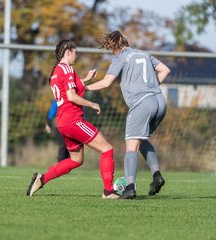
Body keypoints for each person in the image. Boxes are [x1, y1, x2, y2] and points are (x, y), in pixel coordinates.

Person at [26, 39, 119, 199]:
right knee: (107, 149)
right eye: (75, 52)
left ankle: (42, 179)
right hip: (73, 120)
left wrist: (86, 79)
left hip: (62, 122)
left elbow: (68, 88)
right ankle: (108, 191)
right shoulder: (67, 69)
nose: (77, 56)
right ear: (68, 52)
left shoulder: (56, 71)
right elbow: (71, 95)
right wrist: (92, 104)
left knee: (76, 159)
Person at [86, 30, 171, 199]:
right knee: (142, 139)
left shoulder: (119, 57)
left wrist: (83, 88)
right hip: (160, 101)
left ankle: (129, 188)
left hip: (142, 103)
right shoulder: (144, 54)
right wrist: (151, 87)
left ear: (112, 45)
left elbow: (106, 82)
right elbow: (165, 70)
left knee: (131, 147)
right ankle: (156, 175)